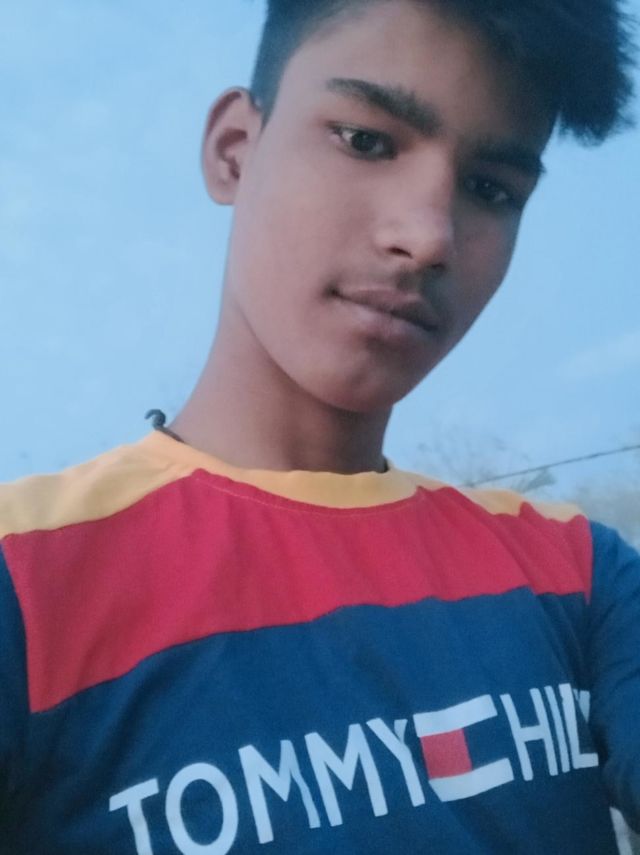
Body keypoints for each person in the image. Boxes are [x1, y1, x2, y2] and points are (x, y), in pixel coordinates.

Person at [1, 0, 638, 852]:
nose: (428, 237)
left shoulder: (580, 575)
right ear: (235, 149)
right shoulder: (26, 579)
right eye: (366, 141)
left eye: (490, 189)